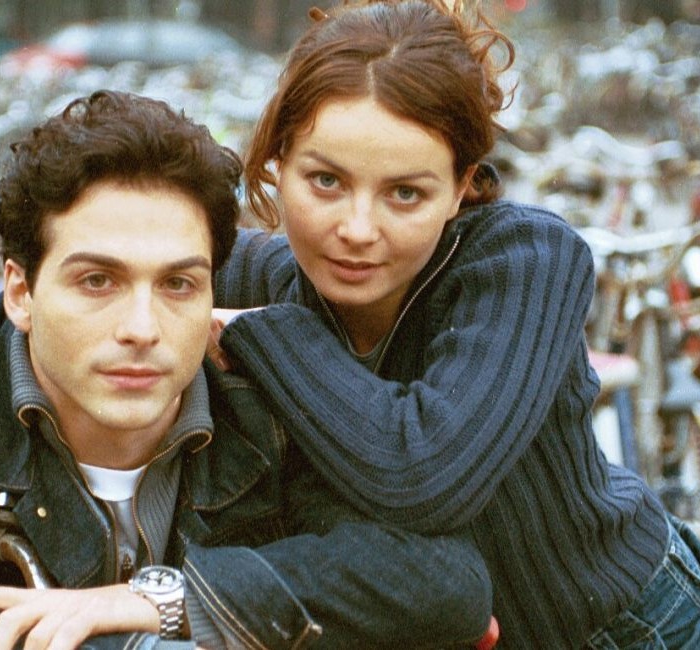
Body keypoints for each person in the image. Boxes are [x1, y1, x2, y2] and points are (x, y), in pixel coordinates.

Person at [0, 90, 495, 649]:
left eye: (177, 285)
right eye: (97, 281)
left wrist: (164, 602)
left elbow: (444, 585)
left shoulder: (262, 405)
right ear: (20, 292)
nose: (142, 328)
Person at [210, 1, 700, 648]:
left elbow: (424, 477)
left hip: (628, 627)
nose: (356, 229)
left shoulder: (525, 258)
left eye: (404, 193)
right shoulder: (266, 274)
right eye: (325, 181)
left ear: (461, 185)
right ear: (278, 162)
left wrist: (263, 333)